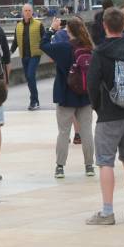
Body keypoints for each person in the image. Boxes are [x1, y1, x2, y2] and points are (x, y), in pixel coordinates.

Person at [84, 6, 124, 225]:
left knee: (105, 163)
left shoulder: (100, 53)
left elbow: (92, 85)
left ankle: (107, 211)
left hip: (109, 115)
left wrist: (97, 107)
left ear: (104, 26)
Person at [42, 15, 96, 181]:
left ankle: (60, 167)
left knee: (64, 132)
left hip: (66, 95)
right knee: (86, 131)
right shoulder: (89, 47)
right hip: (85, 96)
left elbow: (43, 45)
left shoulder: (63, 47)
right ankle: (89, 165)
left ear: (69, 31)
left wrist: (52, 29)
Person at [15, 3, 44, 110]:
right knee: (29, 78)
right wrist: (8, 53)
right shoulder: (18, 25)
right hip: (24, 56)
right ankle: (35, 100)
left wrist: (50, 52)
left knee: (31, 76)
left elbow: (44, 39)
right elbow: (15, 42)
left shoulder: (38, 24)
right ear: (22, 12)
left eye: (29, 10)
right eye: (25, 11)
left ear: (32, 12)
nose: (27, 12)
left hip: (35, 55)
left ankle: (34, 101)